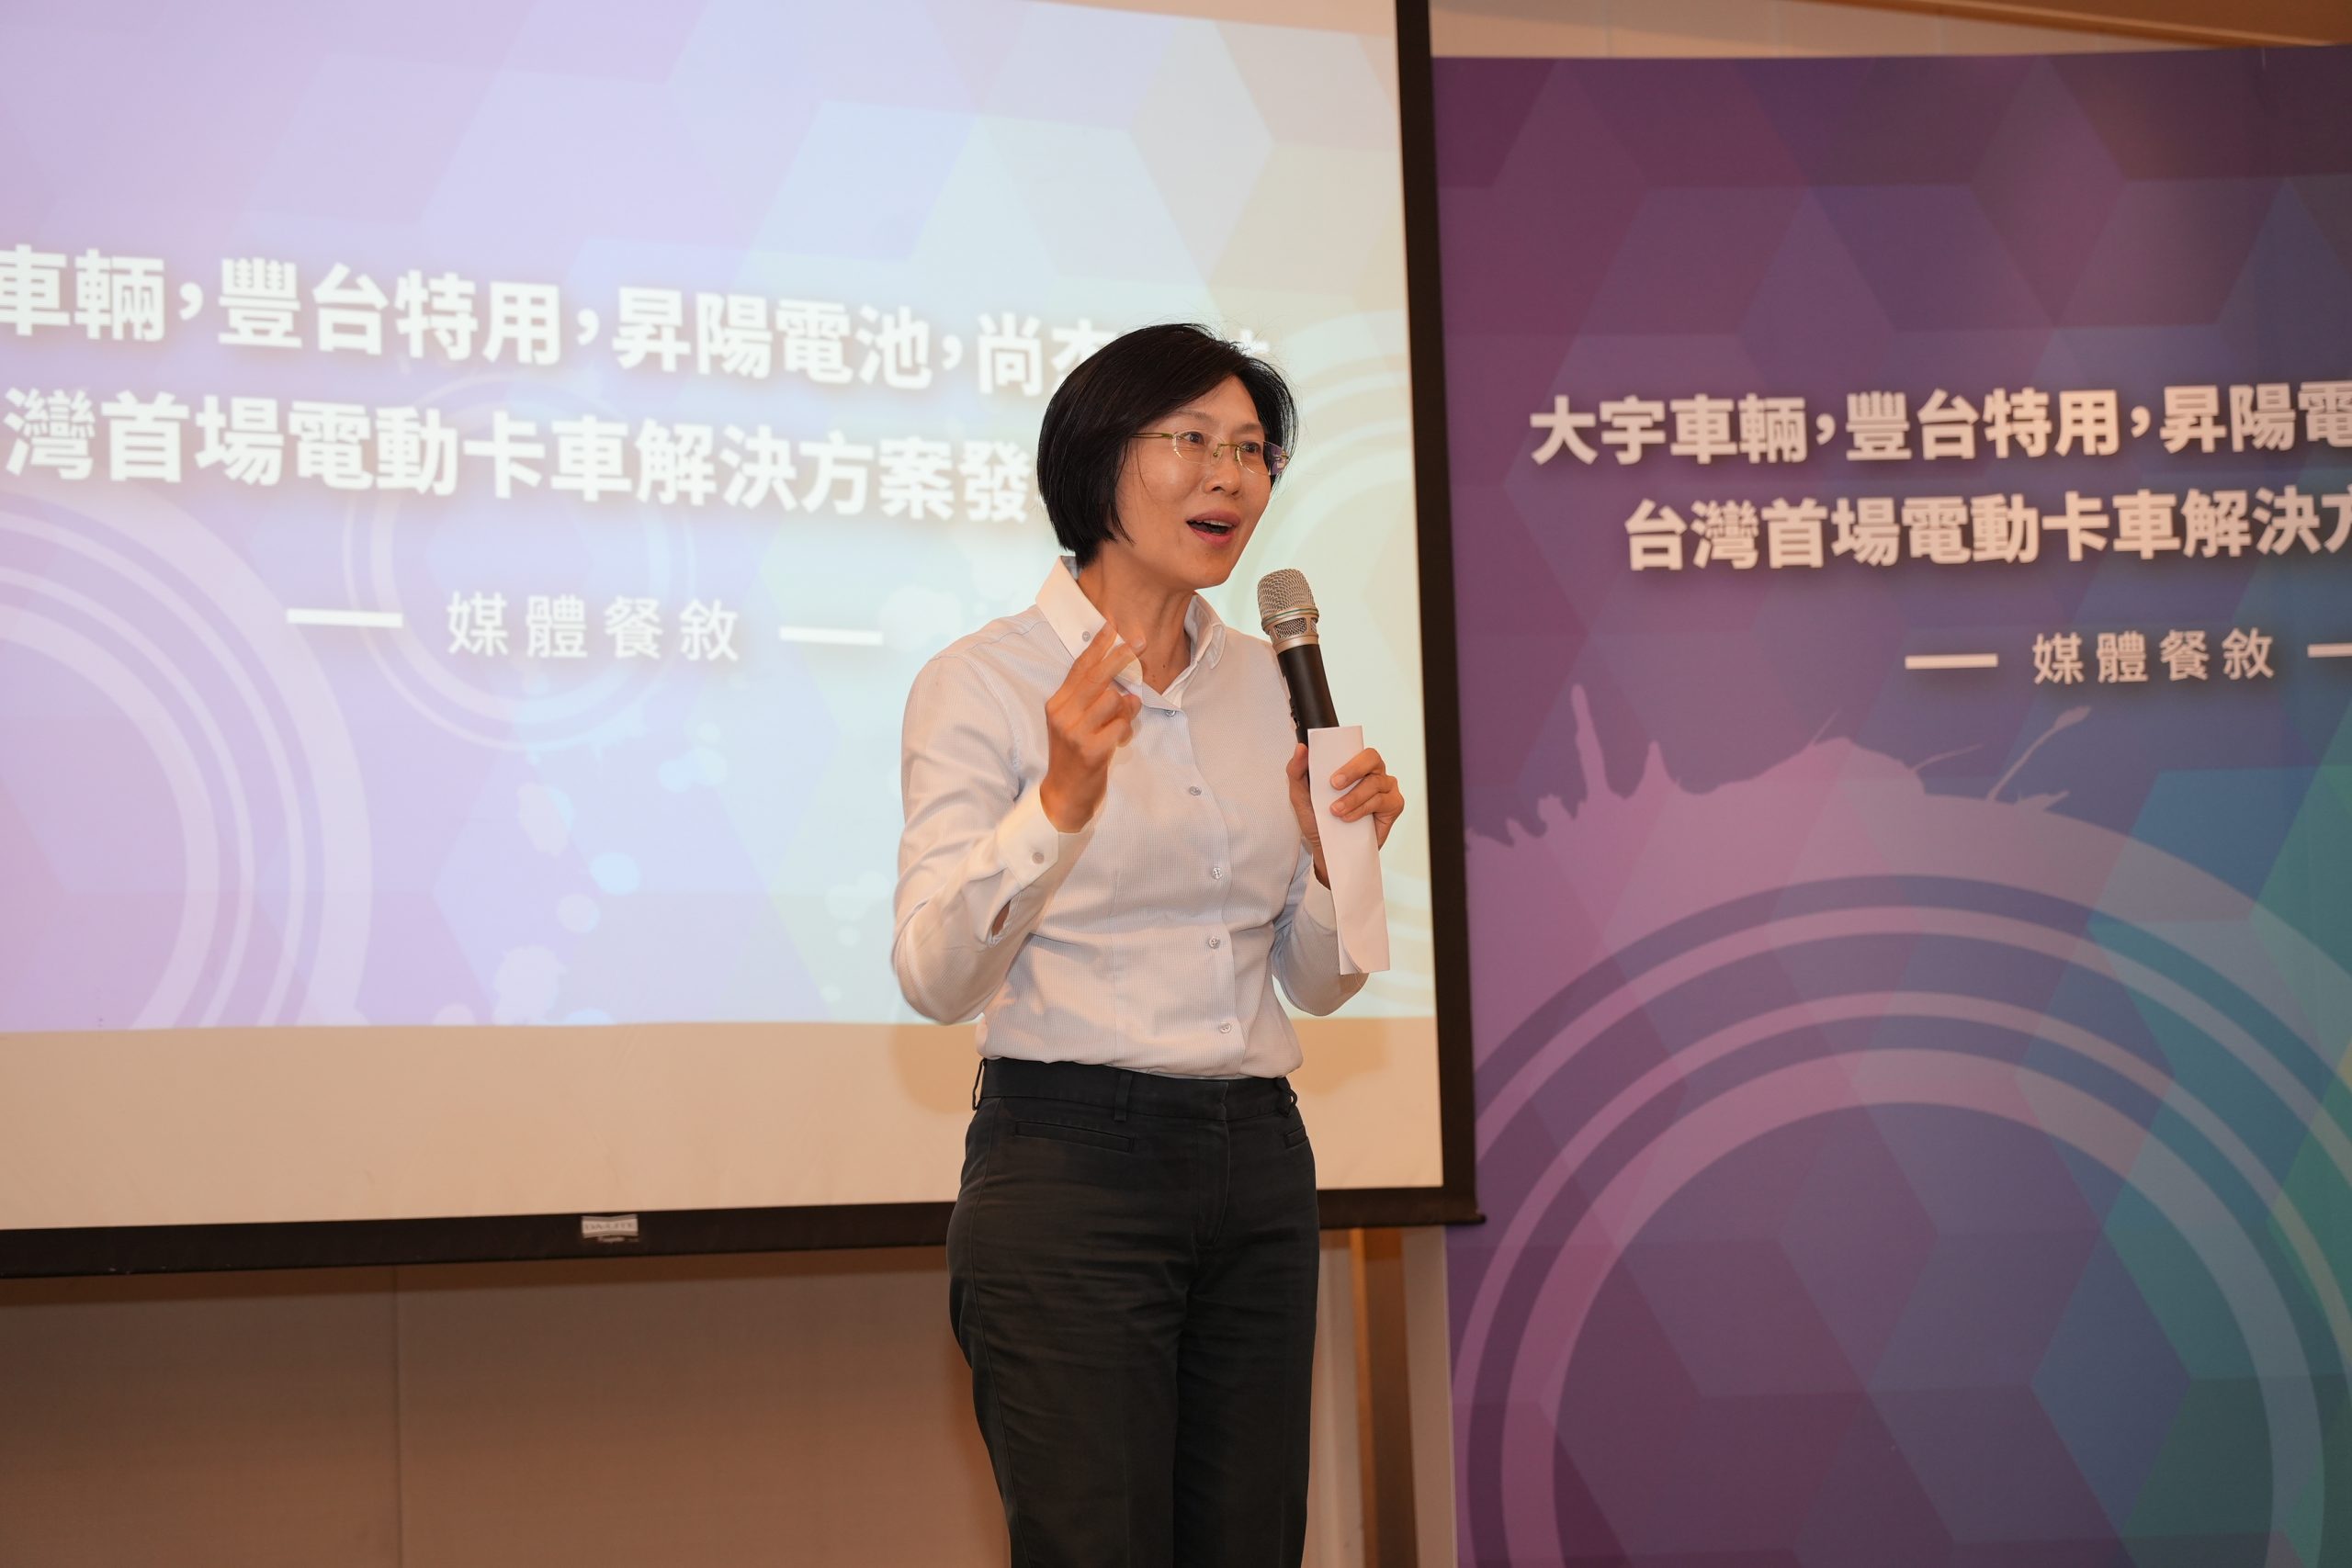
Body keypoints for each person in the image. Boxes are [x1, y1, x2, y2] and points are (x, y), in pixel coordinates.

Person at [891, 322, 1406, 1566]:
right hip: (1071, 1168)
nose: (1231, 476)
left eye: (1253, 449)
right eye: (1192, 440)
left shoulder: (1272, 683)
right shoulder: (985, 682)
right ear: (1097, 459)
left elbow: (1315, 981)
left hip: (1256, 1165)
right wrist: (1058, 801)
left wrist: (1337, 862)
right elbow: (933, 976)